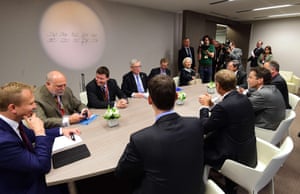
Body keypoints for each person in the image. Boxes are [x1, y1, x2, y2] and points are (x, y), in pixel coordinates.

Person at [115, 75, 205, 194]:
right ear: (176, 97)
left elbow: (121, 173)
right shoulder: (196, 125)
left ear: (149, 100)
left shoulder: (140, 139)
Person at [0, 81, 80, 194]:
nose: (35, 107)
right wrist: (39, 131)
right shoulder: (3, 142)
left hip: (31, 174)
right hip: (25, 187)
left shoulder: (13, 120)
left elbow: (31, 136)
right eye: (31, 103)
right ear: (13, 108)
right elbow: (42, 166)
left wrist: (62, 130)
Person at [199, 69, 257, 194]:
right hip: (247, 150)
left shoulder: (224, 106)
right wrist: (211, 105)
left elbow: (205, 127)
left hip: (231, 156)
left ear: (218, 85)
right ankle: (230, 184)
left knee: (197, 147)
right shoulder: (243, 98)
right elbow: (227, 115)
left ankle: (201, 185)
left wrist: (204, 107)